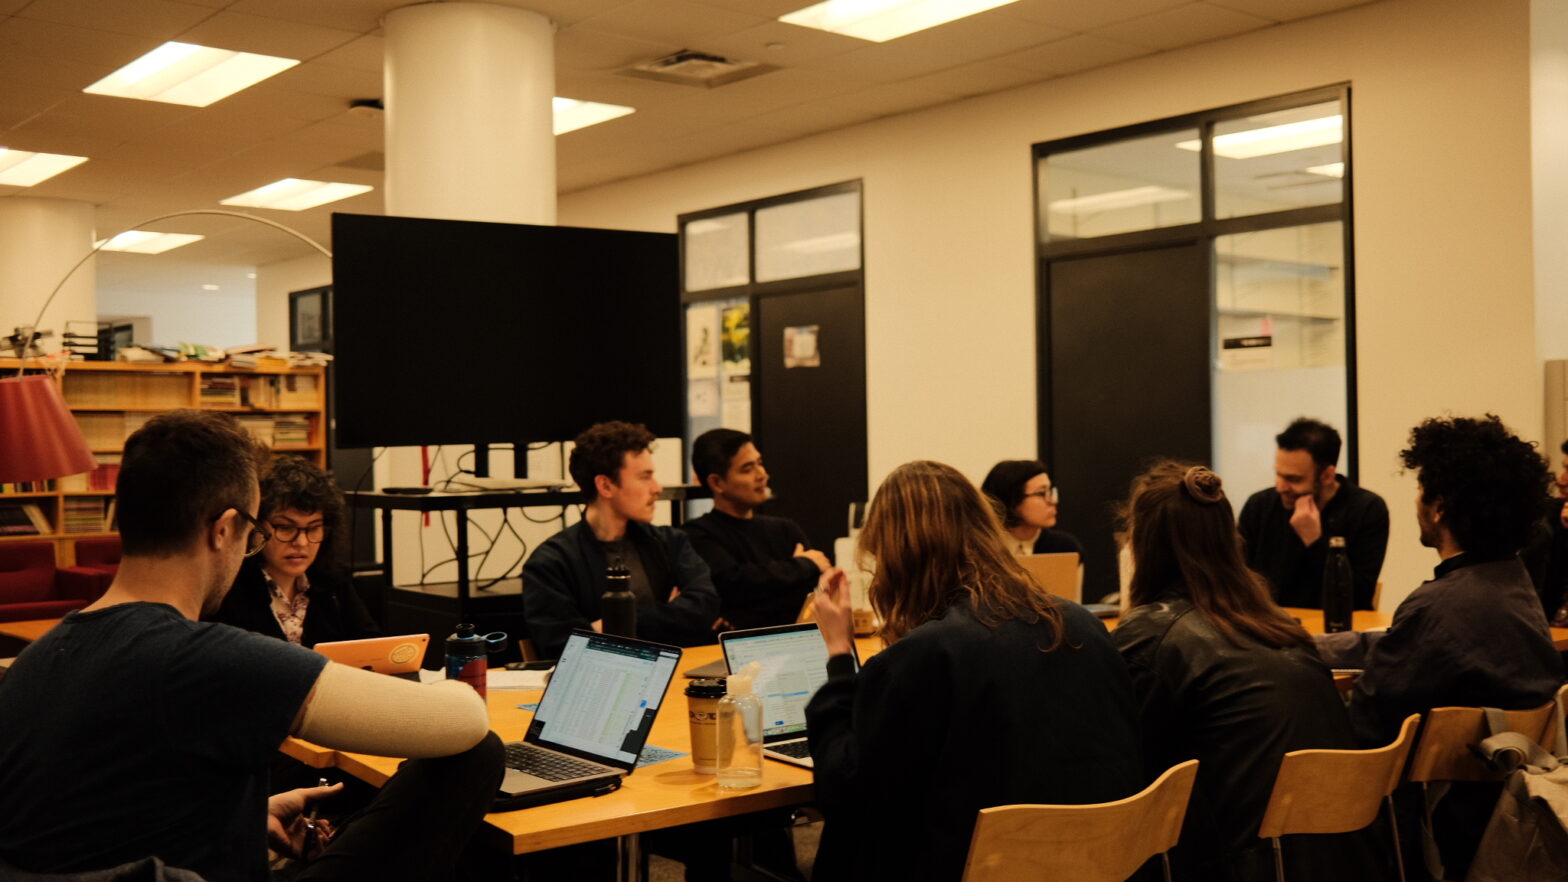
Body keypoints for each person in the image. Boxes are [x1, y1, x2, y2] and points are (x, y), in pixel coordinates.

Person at [0, 410, 502, 881]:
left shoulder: (37, 659)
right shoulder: (207, 658)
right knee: (479, 753)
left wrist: (243, 817)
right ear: (224, 529)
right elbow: (466, 721)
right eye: (255, 533)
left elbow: (97, 813)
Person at [806, 460, 1143, 882]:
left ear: (897, 557)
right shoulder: (1083, 624)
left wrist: (840, 654)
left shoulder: (925, 655)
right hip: (1096, 866)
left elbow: (847, 790)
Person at [1319, 414, 1565, 878]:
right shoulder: (1512, 585)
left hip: (1428, 836)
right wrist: (1310, 645)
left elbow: (1365, 732)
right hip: (1495, 815)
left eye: (1421, 487)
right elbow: (1407, 644)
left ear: (1439, 508)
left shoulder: (1437, 606)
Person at [1112, 462, 1371, 881]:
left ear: (1143, 545)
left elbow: (1122, 769)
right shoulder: (1282, 630)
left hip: (1237, 864)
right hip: (1343, 860)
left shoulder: (1151, 634)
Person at [522, 421, 720, 659]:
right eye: (645, 477)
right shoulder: (551, 564)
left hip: (675, 675)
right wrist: (667, 614)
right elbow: (562, 647)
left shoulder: (671, 542)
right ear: (606, 485)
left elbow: (704, 609)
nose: (657, 488)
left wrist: (611, 625)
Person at [211, 455, 382, 647]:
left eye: (313, 528)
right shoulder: (230, 586)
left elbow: (372, 645)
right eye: (285, 527)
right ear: (256, 527)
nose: (301, 542)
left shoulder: (332, 580)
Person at [682, 428, 827, 630]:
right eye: (747, 469)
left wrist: (743, 616)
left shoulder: (785, 529)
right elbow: (733, 585)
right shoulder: (698, 534)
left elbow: (815, 592)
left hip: (795, 643)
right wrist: (802, 565)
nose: (762, 475)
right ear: (717, 482)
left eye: (760, 463)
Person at [1237, 418, 1389, 609]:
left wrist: (1315, 542)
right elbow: (1237, 579)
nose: (1281, 487)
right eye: (1279, 474)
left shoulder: (1367, 509)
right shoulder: (1259, 505)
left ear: (1327, 475)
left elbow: (1358, 595)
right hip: (1271, 627)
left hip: (1340, 631)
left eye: (1294, 479)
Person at [979, 459, 1085, 558]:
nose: (1053, 501)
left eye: (1050, 491)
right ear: (1012, 500)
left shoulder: (1065, 548)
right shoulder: (982, 548)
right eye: (1042, 493)